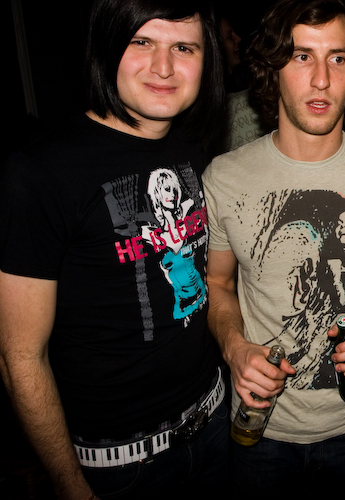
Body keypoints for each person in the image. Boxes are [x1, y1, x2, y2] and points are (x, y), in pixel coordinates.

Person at [0, 1, 229, 499]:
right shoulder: (42, 172)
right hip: (122, 468)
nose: (164, 67)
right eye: (141, 42)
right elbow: (20, 356)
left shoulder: (191, 147)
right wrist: (70, 485)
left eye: (183, 47)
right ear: (106, 49)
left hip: (216, 424)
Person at [202, 0, 345, 494]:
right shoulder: (224, 178)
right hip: (261, 427)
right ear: (273, 68)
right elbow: (217, 283)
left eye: (338, 58)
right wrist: (234, 348)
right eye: (302, 56)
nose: (322, 79)